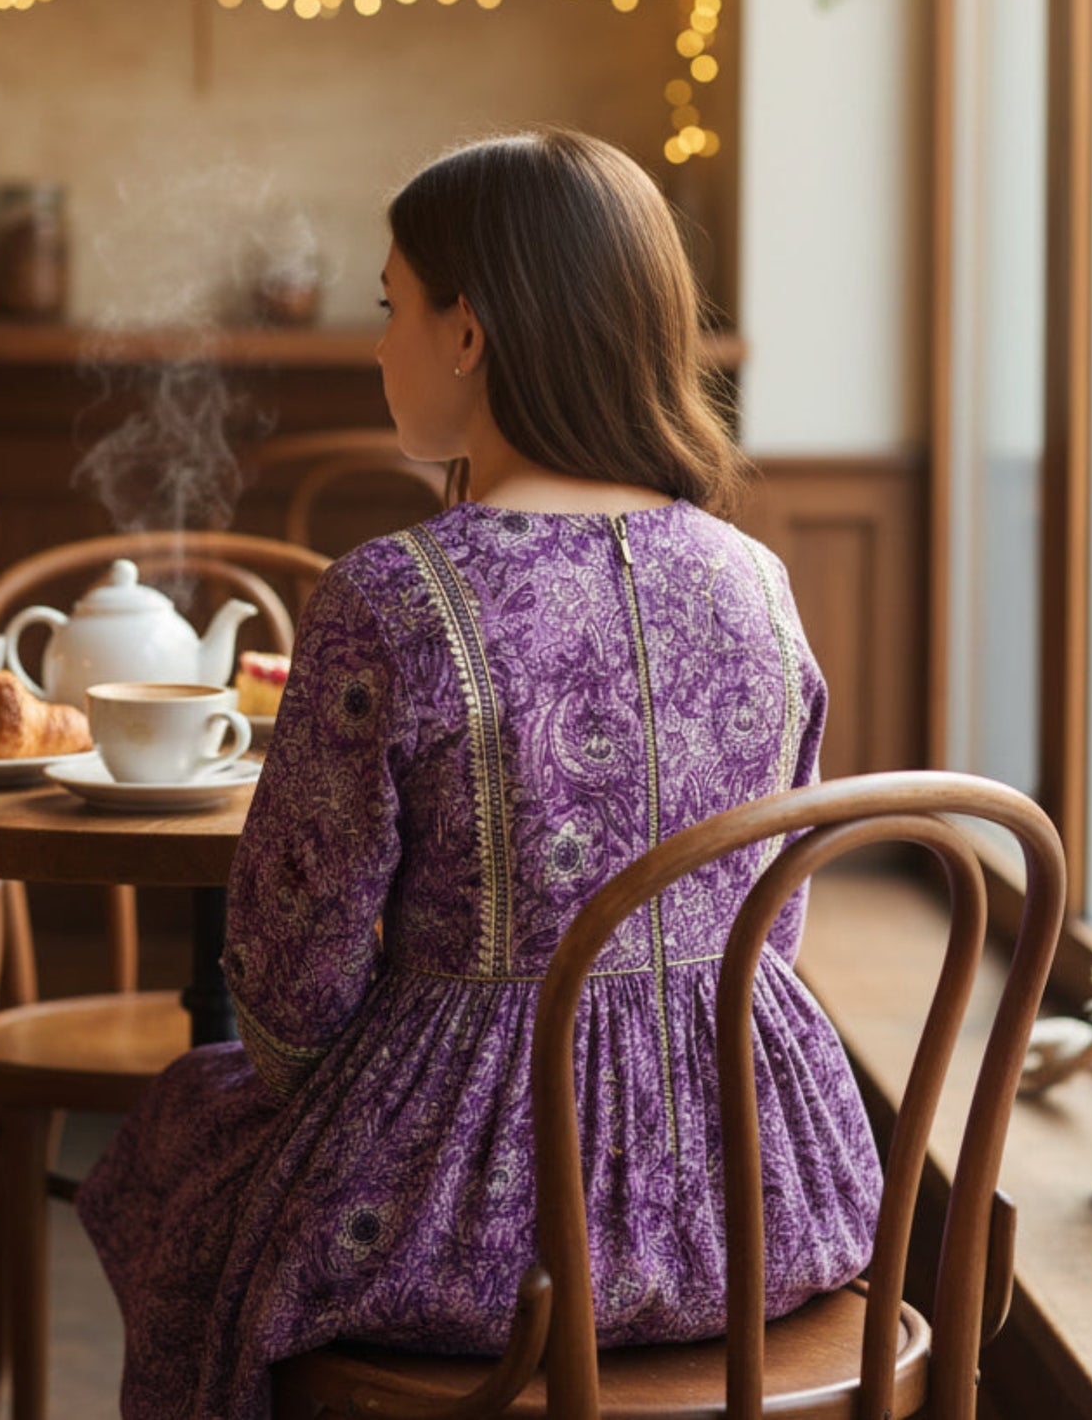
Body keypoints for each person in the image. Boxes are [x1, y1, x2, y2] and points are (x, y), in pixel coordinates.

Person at [77, 129, 882, 1420]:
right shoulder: (754, 576)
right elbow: (768, 921)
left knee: (180, 1134)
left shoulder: (392, 596)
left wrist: (318, 1083)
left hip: (476, 1239)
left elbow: (296, 977)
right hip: (768, 1196)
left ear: (468, 332)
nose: (380, 343)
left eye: (392, 306)